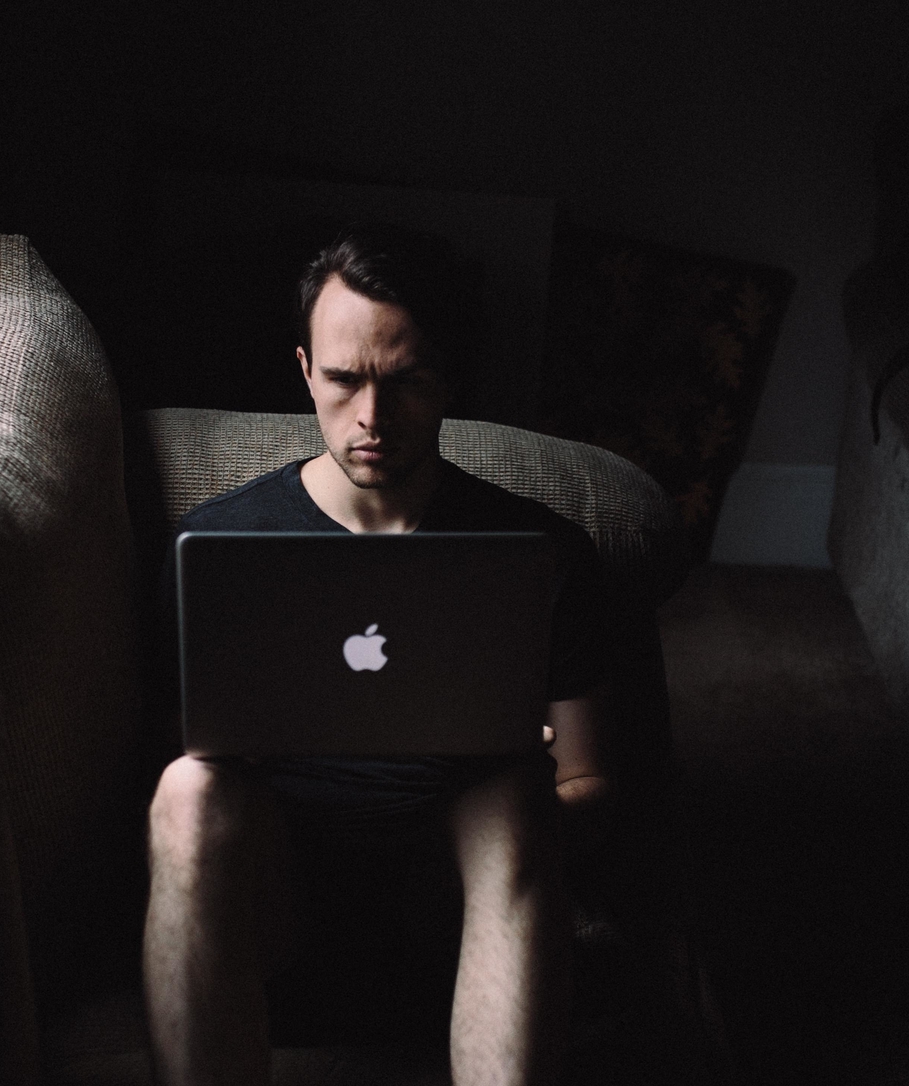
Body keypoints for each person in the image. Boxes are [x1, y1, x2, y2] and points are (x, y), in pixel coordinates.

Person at [144, 226, 616, 1086]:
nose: (371, 417)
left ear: (445, 380)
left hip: (456, 890)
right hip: (279, 888)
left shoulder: (537, 552)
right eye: (343, 379)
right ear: (303, 370)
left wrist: (530, 783)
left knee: (516, 797)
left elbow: (594, 779)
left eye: (404, 381)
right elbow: (177, 762)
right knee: (185, 789)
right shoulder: (217, 546)